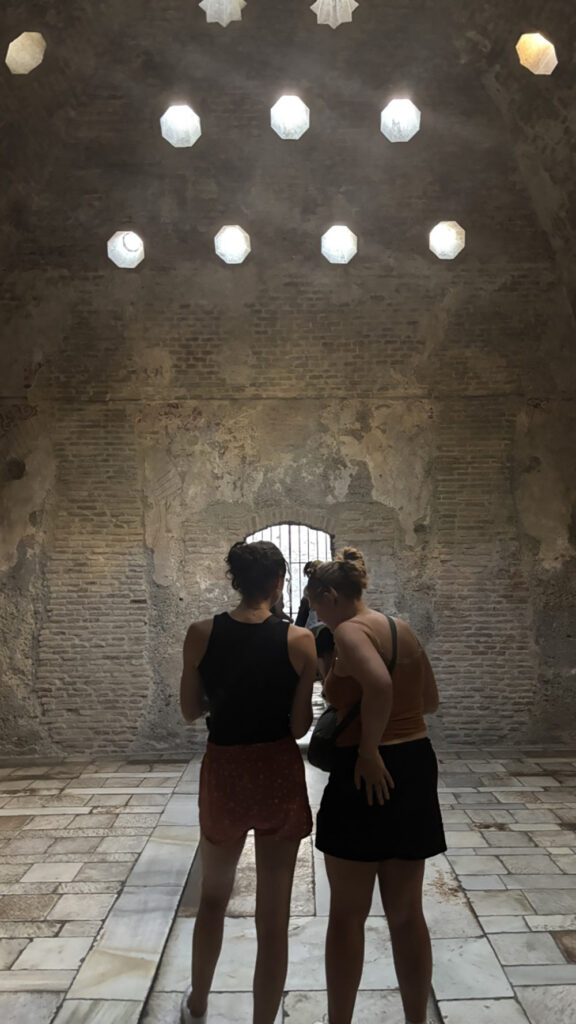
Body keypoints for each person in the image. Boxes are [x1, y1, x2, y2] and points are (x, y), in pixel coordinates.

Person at [305, 548, 446, 1024]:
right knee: (406, 912)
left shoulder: (348, 630)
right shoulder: (398, 628)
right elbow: (429, 700)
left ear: (331, 595)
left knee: (347, 914)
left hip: (368, 769)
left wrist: (369, 750)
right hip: (413, 764)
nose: (317, 617)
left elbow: (380, 688)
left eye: (317, 606)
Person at [179, 540, 317, 1024]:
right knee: (273, 910)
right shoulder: (299, 641)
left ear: (234, 580)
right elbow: (300, 728)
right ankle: (263, 1019)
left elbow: (190, 710)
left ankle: (199, 1003)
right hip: (277, 768)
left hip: (226, 771)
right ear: (279, 583)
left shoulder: (200, 633)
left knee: (214, 897)